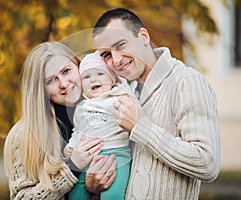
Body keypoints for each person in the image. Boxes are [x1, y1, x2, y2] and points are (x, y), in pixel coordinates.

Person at [85, 8, 220, 199]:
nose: (116, 60)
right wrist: (93, 185)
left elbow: (207, 163)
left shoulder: (186, 82)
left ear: (144, 36)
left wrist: (141, 127)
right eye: (106, 54)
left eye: (121, 45)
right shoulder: (120, 93)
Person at [3, 41, 117, 200]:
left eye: (66, 71)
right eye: (51, 81)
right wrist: (72, 168)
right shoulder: (23, 135)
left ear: (78, 66)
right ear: (40, 90)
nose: (63, 84)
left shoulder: (111, 104)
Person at [65, 51, 135, 200]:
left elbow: (133, 107)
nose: (93, 79)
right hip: (89, 158)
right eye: (87, 77)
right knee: (75, 192)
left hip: (118, 155)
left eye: (100, 74)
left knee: (114, 195)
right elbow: (78, 129)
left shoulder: (118, 97)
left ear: (112, 79)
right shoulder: (82, 107)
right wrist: (72, 146)